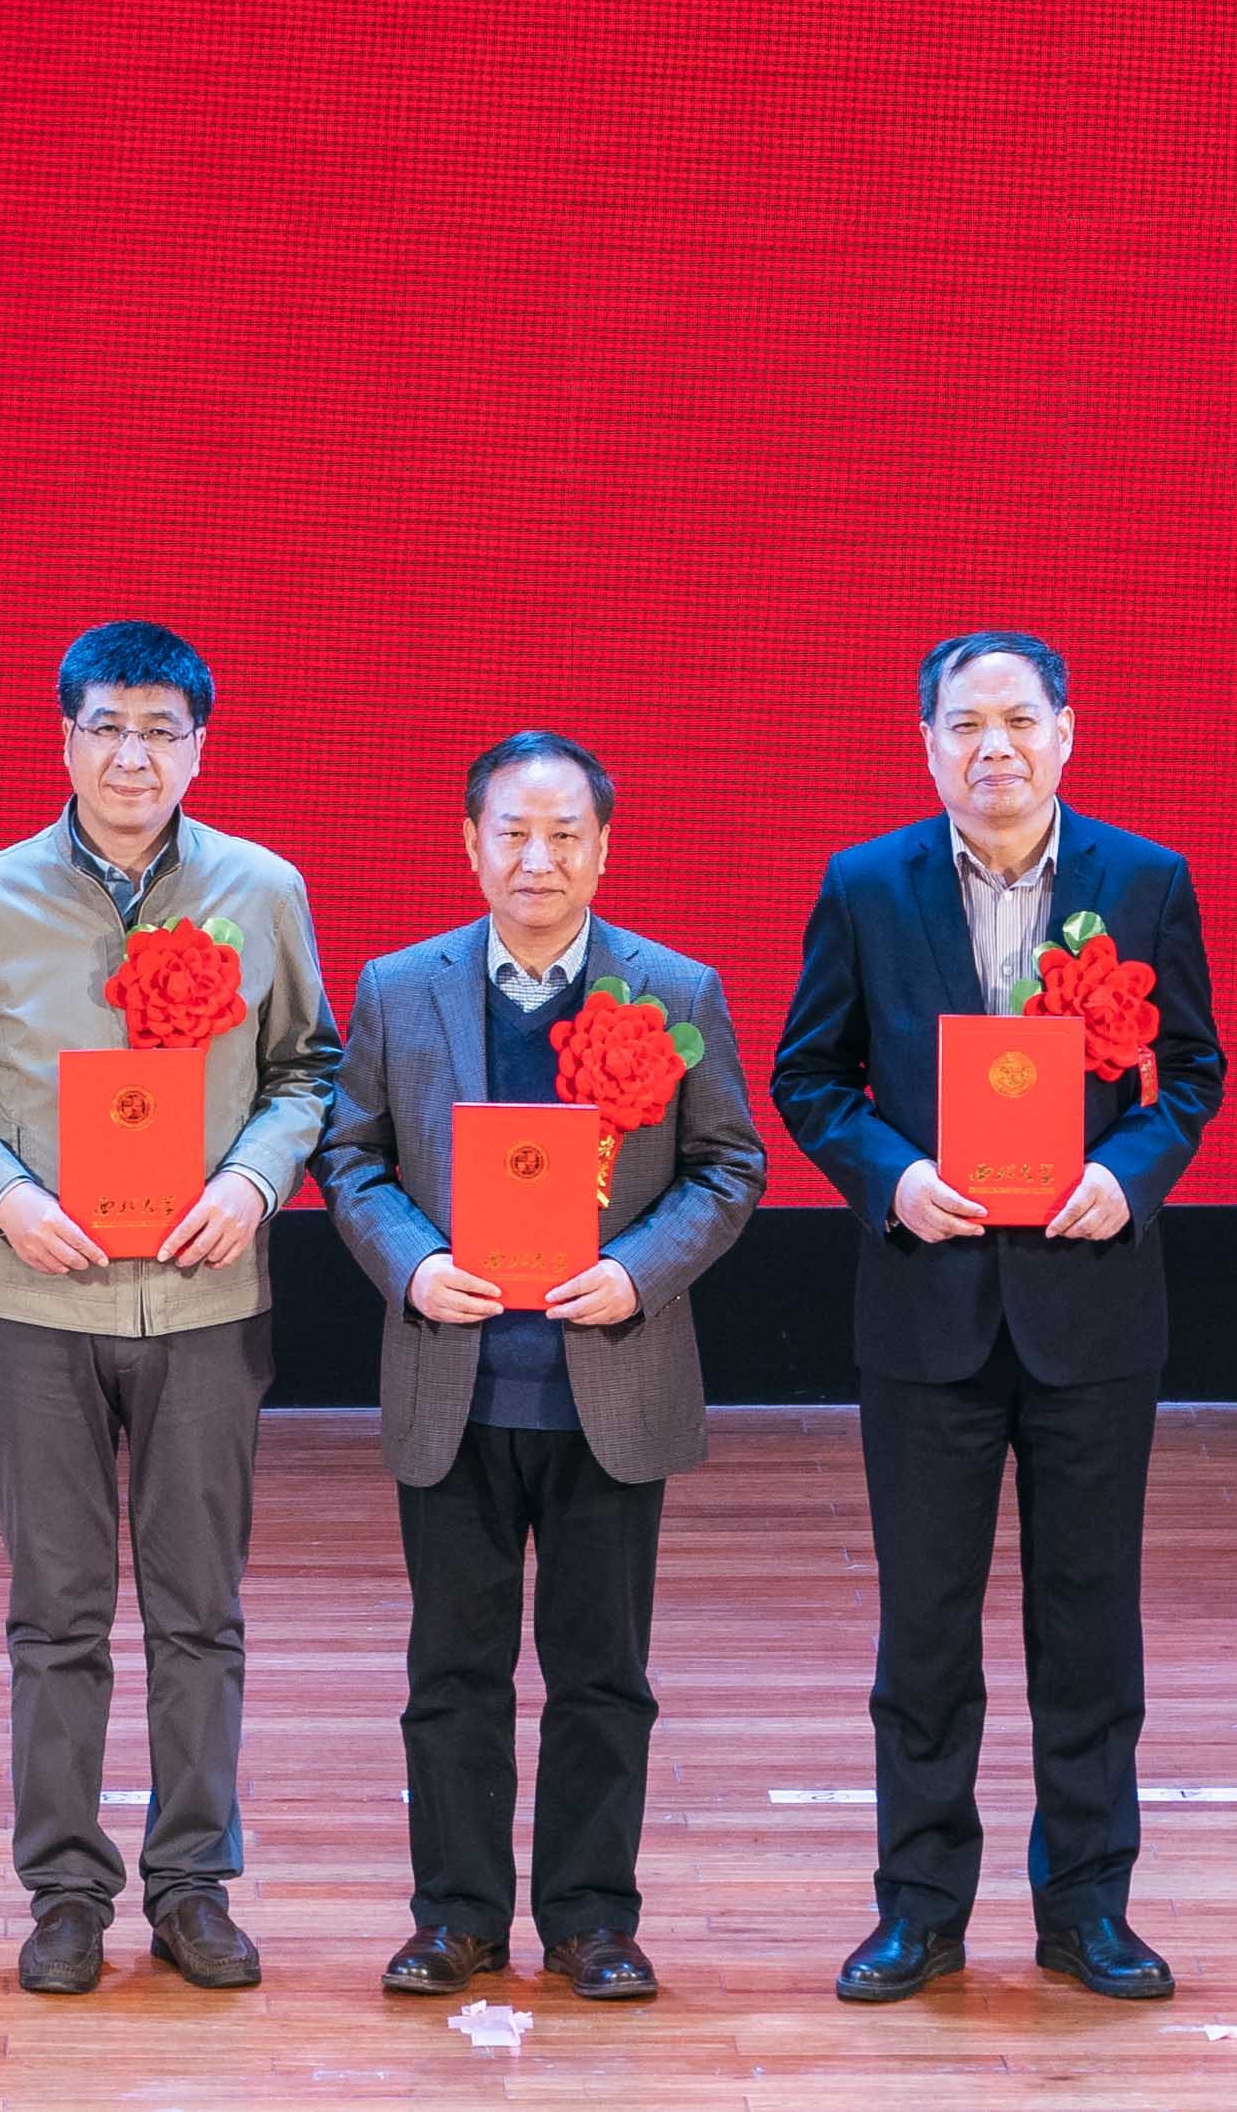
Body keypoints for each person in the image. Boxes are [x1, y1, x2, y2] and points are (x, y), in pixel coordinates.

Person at [771, 628, 1228, 2009]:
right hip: (929, 1312)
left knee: (1089, 1628)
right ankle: (917, 1909)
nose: (994, 748)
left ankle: (1087, 1907)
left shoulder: (1143, 881)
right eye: (964, 725)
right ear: (926, 745)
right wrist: (891, 1178)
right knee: (923, 1630)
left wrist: (1126, 1173)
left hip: (1091, 1310)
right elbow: (809, 1075)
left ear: (1065, 733)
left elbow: (1191, 1070)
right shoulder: (865, 884)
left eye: (1018, 720)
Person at [0, 619, 340, 1997]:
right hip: (32, 1299)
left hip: (204, 1296)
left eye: (161, 730)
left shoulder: (262, 889)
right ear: (65, 737)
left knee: (199, 1606)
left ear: (199, 746)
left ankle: (193, 1882)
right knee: (57, 1611)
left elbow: (307, 1069)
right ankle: (64, 1891)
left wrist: (256, 1181)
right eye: (107, 726)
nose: (132, 755)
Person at [313, 731, 767, 2007]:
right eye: (511, 830)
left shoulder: (672, 988)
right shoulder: (398, 986)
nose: (537, 857)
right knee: (450, 1674)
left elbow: (729, 1164)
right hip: (452, 1380)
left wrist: (637, 1268)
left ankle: (589, 1917)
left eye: (565, 833)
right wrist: (411, 1262)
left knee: (601, 1675)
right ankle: (455, 1915)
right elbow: (349, 1156)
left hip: (606, 1380)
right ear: (468, 842)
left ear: (603, 847)